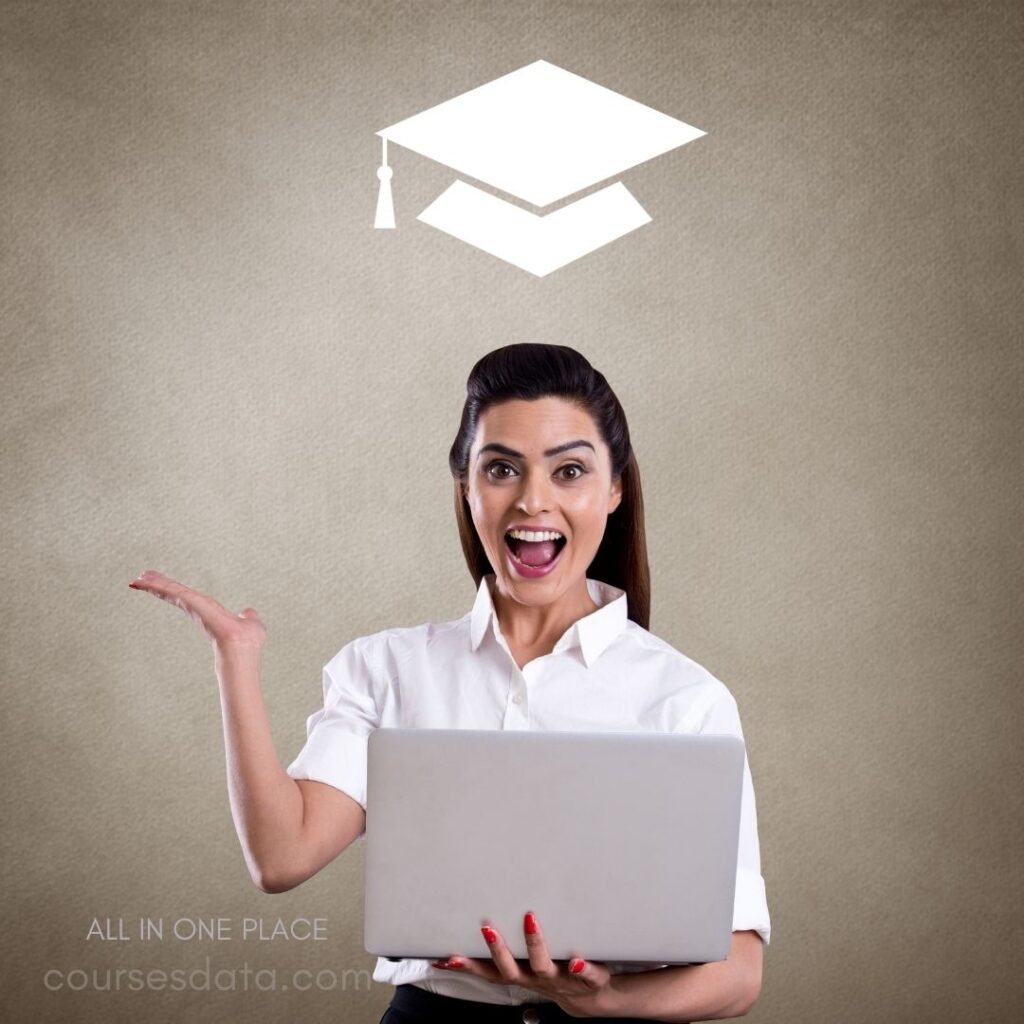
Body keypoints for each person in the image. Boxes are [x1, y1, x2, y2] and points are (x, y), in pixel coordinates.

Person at [128, 343, 770, 1022]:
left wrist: (605, 1000)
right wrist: (237, 657)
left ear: (613, 489)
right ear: (466, 485)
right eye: (501, 469)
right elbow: (282, 857)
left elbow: (739, 969)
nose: (533, 500)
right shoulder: (388, 670)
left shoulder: (685, 698)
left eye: (569, 471)